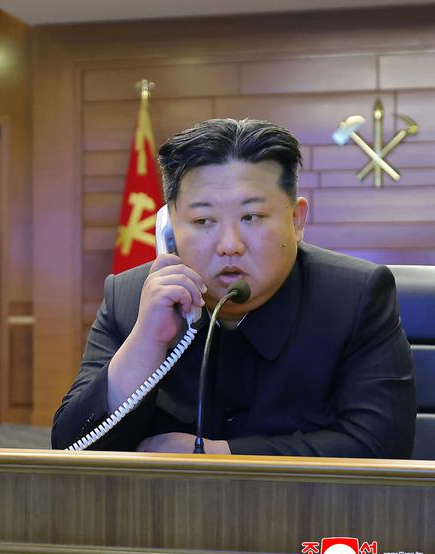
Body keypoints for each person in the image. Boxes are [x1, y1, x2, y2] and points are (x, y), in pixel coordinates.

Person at [52, 118, 416, 458]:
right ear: (169, 228)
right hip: (167, 518)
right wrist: (146, 344)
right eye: (203, 220)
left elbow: (381, 444)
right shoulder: (130, 298)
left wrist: (218, 454)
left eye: (251, 217)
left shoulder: (355, 297)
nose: (229, 244)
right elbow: (71, 448)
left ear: (296, 219)